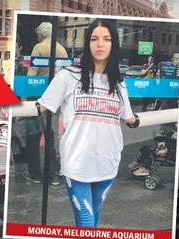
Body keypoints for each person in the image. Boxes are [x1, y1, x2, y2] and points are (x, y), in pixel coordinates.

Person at [37, 20, 138, 228]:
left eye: (106, 39)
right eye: (94, 39)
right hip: (77, 164)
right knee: (86, 223)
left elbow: (129, 117)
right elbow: (42, 105)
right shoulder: (68, 76)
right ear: (88, 44)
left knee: (94, 220)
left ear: (114, 45)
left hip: (108, 164)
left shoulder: (118, 84)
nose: (100, 44)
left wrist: (137, 121)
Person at [21, 21, 67, 185]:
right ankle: (54, 174)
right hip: (55, 100)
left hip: (37, 98)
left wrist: (25, 100)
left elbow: (31, 76)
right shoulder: (61, 49)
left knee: (33, 137)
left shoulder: (38, 48)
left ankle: (35, 174)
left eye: (38, 33)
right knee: (51, 136)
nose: (37, 36)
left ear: (41, 34)